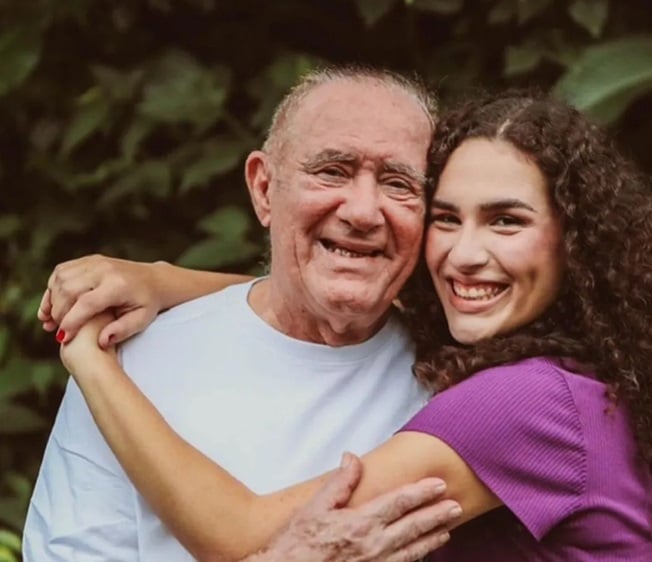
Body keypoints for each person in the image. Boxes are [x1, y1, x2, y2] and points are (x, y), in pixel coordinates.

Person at [37, 89, 652, 560]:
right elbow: (318, 293)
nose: (464, 253)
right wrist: (165, 280)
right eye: (447, 218)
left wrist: (93, 357)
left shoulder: (521, 406)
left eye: (507, 220)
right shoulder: (571, 379)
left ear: (575, 244)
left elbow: (241, 538)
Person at [23, 66, 465, 562]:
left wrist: (165, 278)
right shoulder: (128, 361)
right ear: (263, 189)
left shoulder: (462, 373)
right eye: (332, 171)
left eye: (399, 183)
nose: (363, 211)